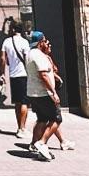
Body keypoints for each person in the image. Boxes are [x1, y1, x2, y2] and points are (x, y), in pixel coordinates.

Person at [25, 30, 71, 160]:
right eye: (44, 41)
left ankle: (34, 144)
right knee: (57, 119)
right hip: (43, 93)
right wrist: (53, 92)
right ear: (40, 42)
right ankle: (42, 142)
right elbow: (43, 74)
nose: (46, 43)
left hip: (33, 92)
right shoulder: (38, 55)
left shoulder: (29, 54)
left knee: (42, 119)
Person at [2, 17, 33, 144]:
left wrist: (2, 73)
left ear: (13, 28)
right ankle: (22, 128)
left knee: (17, 103)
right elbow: (27, 59)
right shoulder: (24, 43)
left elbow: (3, 59)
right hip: (23, 74)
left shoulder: (6, 42)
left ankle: (19, 126)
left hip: (13, 74)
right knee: (24, 102)